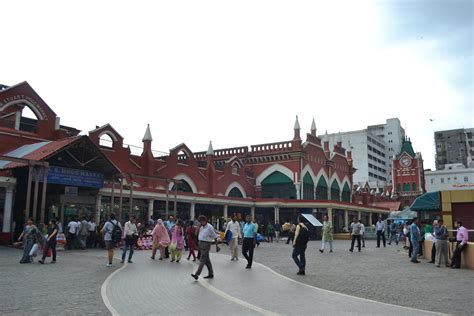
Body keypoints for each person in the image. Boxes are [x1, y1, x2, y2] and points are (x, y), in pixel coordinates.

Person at [191, 215, 219, 280]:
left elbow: (215, 236)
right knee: (207, 260)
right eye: (199, 222)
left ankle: (196, 274)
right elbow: (196, 234)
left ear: (205, 221)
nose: (200, 223)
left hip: (206, 244)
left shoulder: (210, 227)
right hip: (201, 244)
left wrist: (217, 246)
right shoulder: (201, 227)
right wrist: (198, 227)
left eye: (201, 221)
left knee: (202, 259)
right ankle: (211, 273)